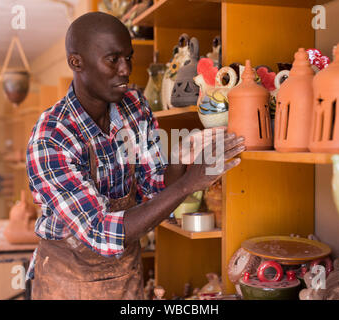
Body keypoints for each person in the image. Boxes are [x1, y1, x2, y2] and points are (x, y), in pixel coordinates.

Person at [25, 11, 245, 300]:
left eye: (128, 57)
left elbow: (154, 189)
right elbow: (101, 234)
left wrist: (180, 159)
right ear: (76, 62)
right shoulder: (51, 138)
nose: (126, 70)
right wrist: (190, 183)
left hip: (125, 276)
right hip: (66, 281)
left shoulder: (133, 105)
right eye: (113, 59)